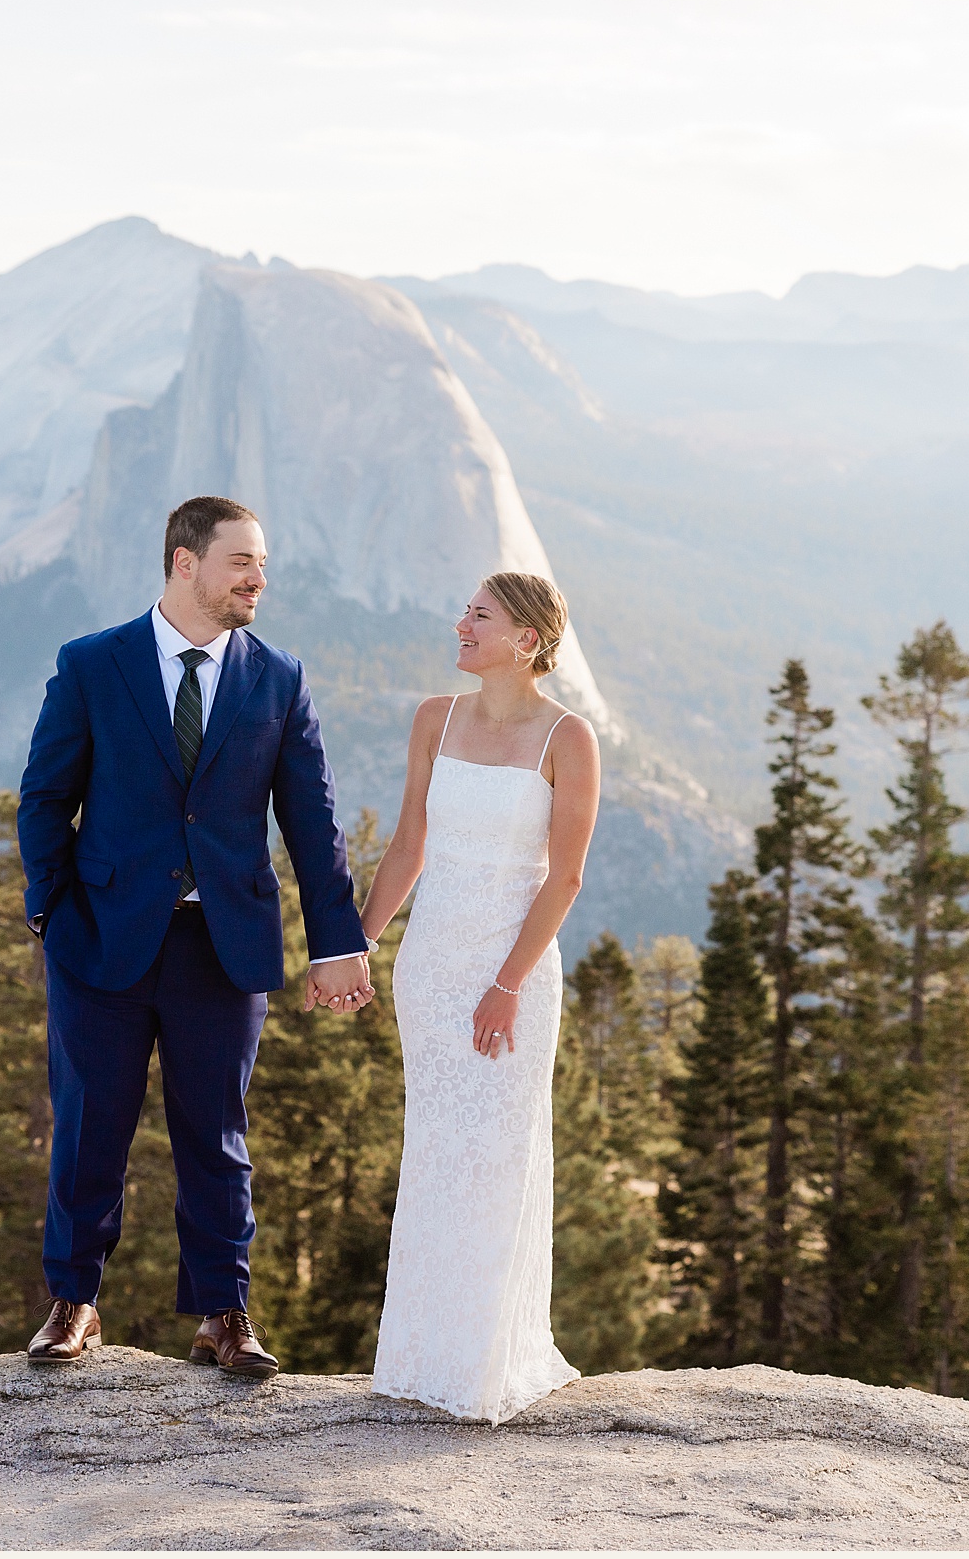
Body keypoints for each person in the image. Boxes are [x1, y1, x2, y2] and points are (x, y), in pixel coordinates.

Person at [15, 495, 376, 1378]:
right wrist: (51, 912)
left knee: (217, 1135)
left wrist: (338, 941)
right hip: (101, 940)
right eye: (242, 562)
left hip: (225, 946)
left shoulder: (279, 677)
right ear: (185, 562)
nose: (259, 579)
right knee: (89, 1125)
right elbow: (43, 797)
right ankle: (73, 1304)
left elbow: (312, 823)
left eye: (263, 565)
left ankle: (225, 1312)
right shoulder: (94, 664)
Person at [356, 571, 603, 1422]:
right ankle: (423, 1361)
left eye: (480, 615)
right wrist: (356, 946)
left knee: (498, 1150)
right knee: (436, 1149)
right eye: (464, 609)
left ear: (527, 640)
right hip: (429, 966)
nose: (460, 623)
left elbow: (565, 878)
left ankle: (487, 1363)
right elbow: (407, 847)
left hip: (514, 971)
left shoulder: (568, 739)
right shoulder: (437, 717)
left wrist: (507, 983)